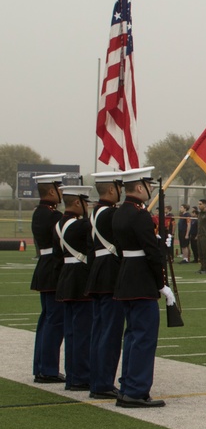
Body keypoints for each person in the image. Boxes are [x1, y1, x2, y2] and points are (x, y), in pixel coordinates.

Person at [112, 167, 175, 408]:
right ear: (139, 187)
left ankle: (128, 386)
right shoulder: (140, 215)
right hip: (141, 282)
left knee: (132, 337)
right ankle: (136, 391)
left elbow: (123, 249)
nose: (149, 189)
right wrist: (161, 284)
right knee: (143, 338)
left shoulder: (120, 213)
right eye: (147, 185)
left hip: (126, 278)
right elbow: (151, 254)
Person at [86, 171, 125, 399]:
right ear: (112, 189)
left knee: (99, 331)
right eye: (119, 187)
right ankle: (103, 384)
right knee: (109, 333)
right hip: (110, 274)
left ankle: (97, 380)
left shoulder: (95, 212)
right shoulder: (110, 214)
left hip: (98, 273)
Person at [55, 185, 95, 391]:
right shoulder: (81, 226)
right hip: (80, 280)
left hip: (66, 279)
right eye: (86, 202)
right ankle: (80, 375)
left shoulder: (60, 223)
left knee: (71, 332)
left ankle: (73, 374)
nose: (87, 207)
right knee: (81, 333)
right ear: (78, 202)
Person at [30, 173, 66, 383]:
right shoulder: (53, 216)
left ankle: (41, 366)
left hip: (45, 266)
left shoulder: (39, 212)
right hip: (53, 268)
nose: (61, 193)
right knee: (55, 320)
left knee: (46, 320)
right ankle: (48, 369)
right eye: (59, 189)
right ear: (52, 191)